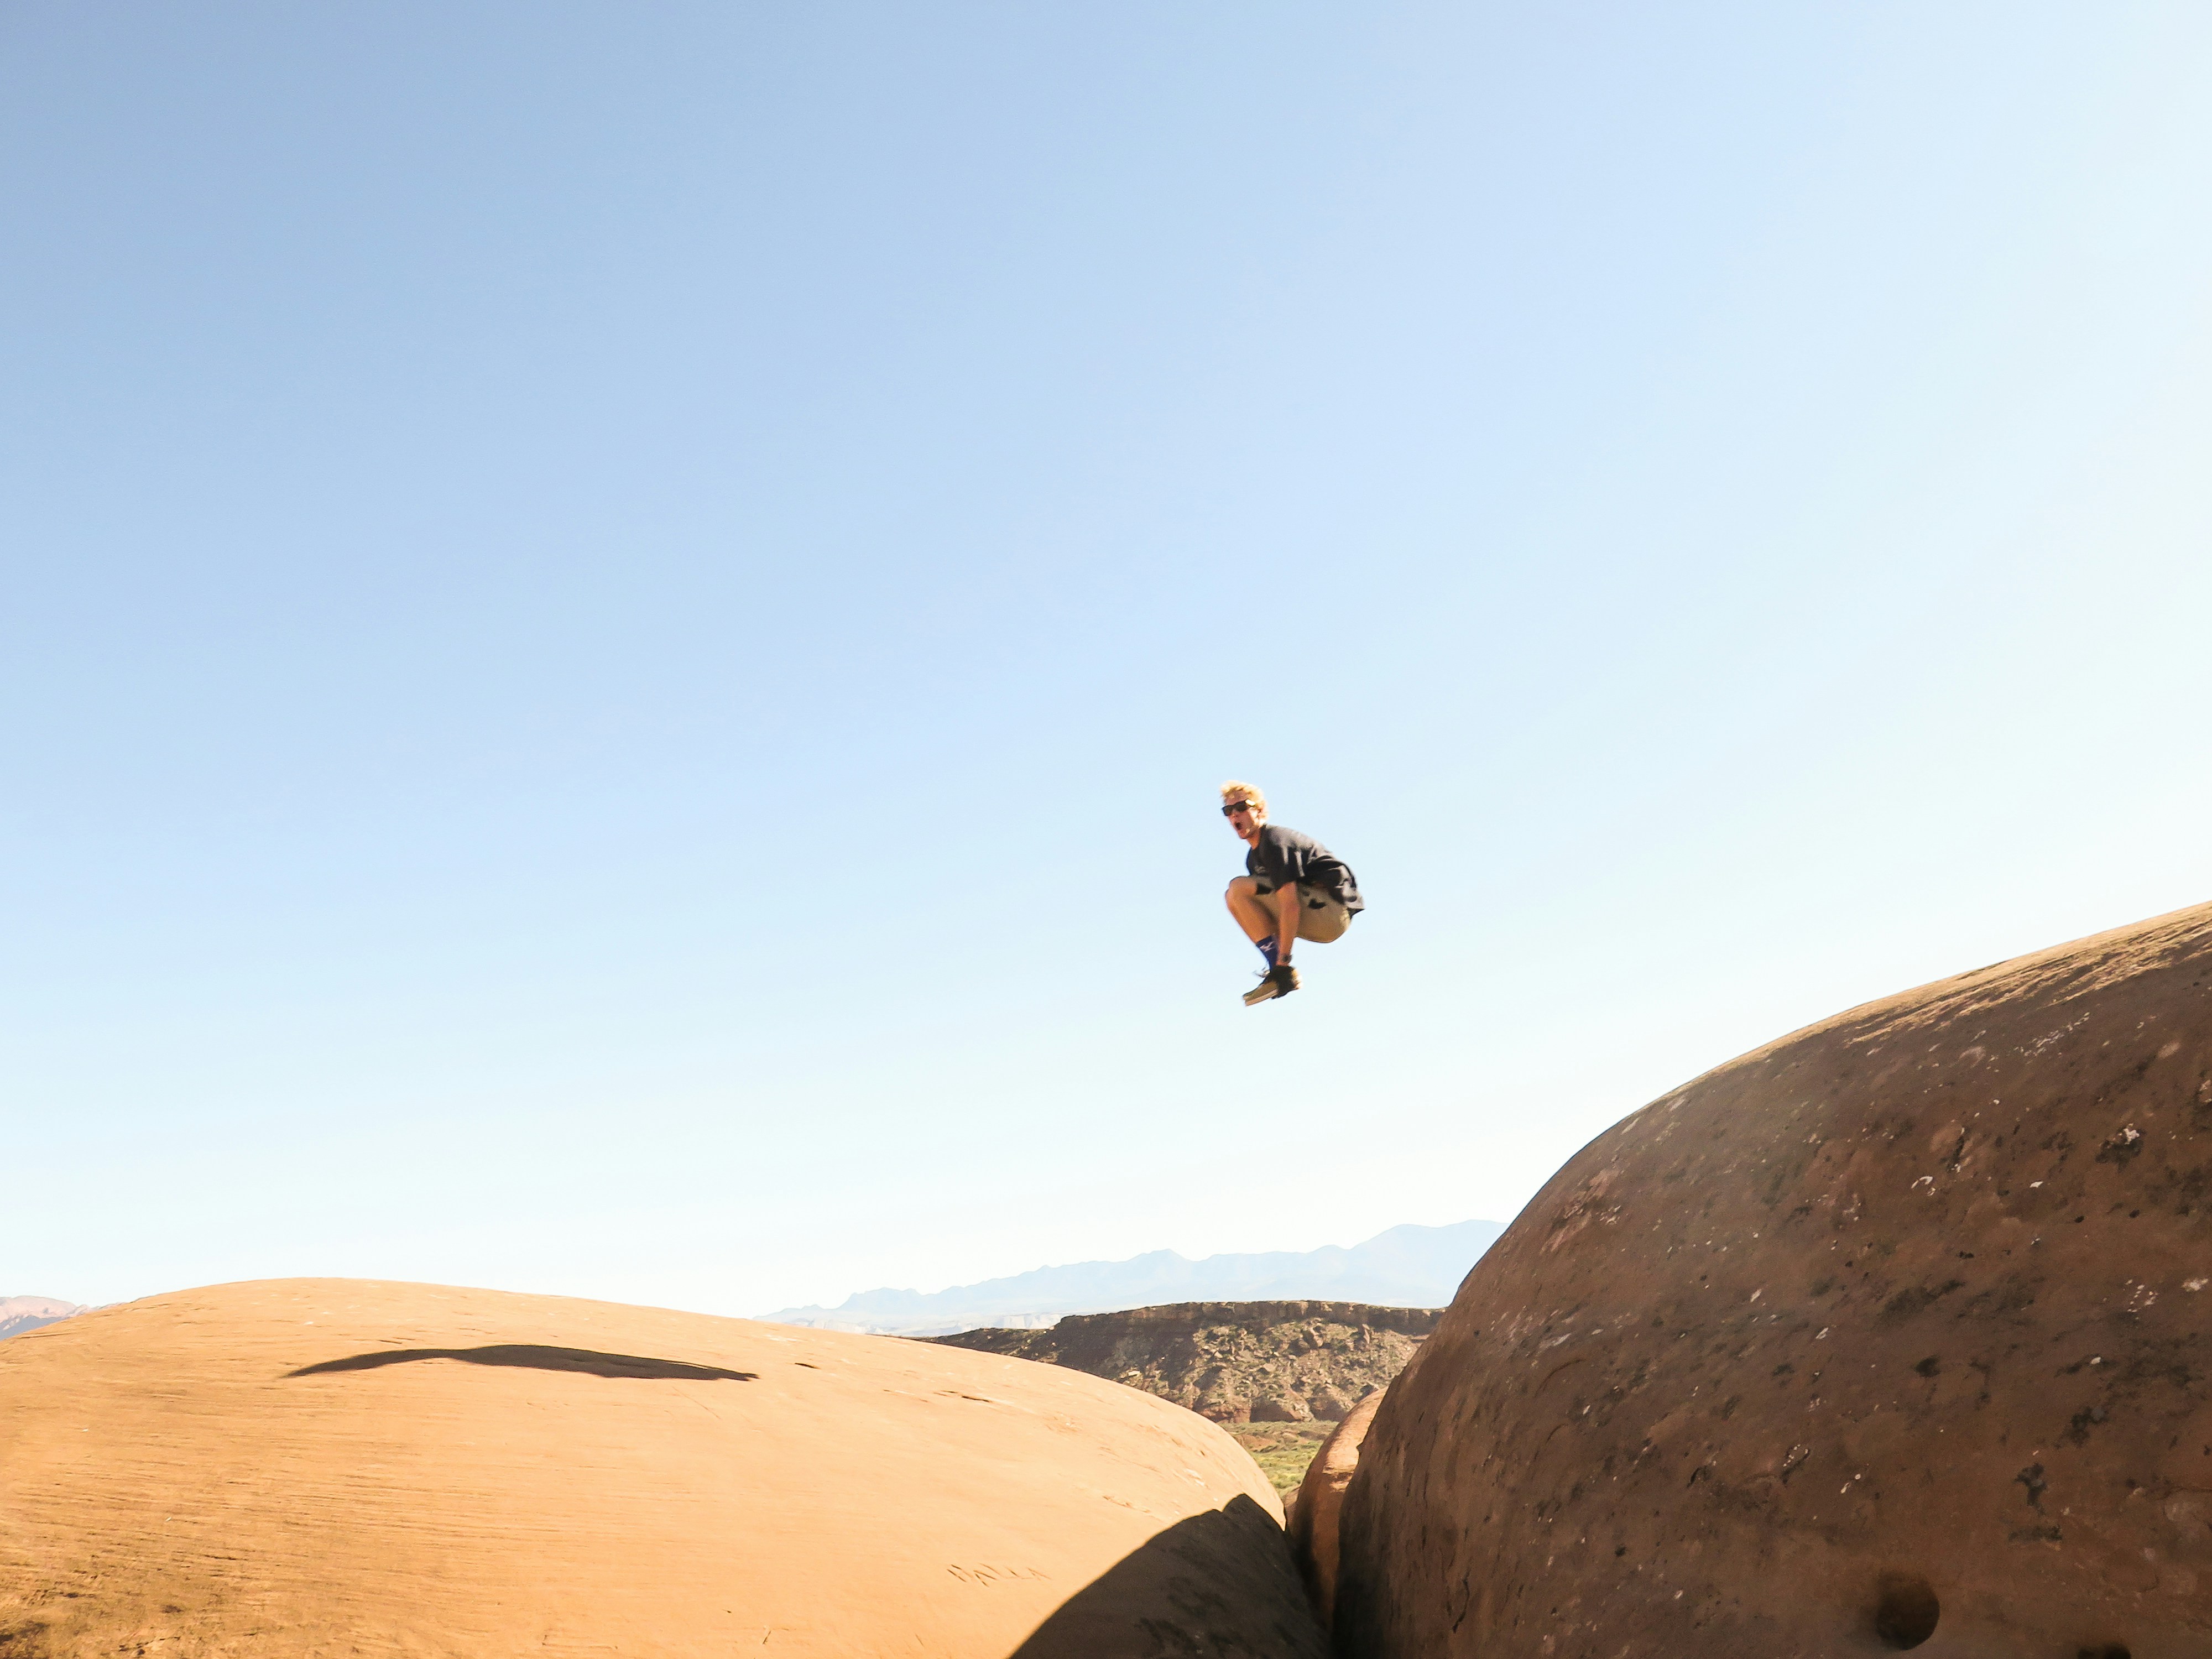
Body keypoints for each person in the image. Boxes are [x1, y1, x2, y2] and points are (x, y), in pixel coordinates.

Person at [1219, 781, 1363, 1005]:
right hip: (1316, 919)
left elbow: (1290, 904)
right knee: (1233, 897)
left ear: (1260, 810)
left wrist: (1284, 963)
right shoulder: (1253, 859)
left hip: (1332, 912)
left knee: (1239, 888)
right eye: (1229, 811)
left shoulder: (1275, 842)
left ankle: (1281, 971)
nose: (1235, 815)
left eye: (1242, 807)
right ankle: (1277, 972)